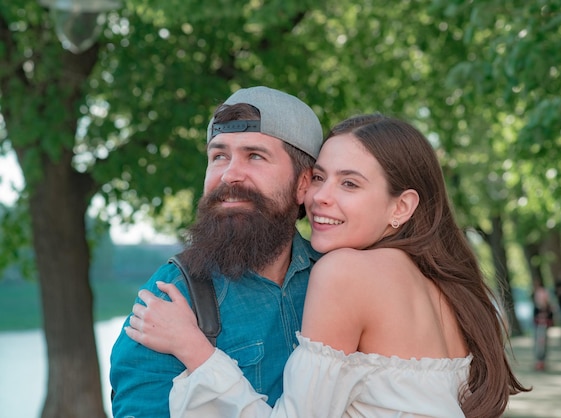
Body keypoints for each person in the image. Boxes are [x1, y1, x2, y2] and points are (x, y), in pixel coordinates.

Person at [127, 114, 530, 417]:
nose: (320, 197)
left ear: (401, 206)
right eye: (320, 178)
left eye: (350, 184)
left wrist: (195, 350)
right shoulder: (442, 287)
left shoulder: (344, 272)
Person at [109, 86, 324, 417]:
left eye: (255, 156)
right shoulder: (172, 296)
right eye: (219, 156)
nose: (230, 174)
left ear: (303, 184)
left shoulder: (334, 278)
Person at [532, 281, 554, 371]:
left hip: (544, 327)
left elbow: (551, 317)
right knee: (537, 344)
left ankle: (542, 361)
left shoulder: (548, 308)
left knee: (543, 344)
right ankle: (538, 361)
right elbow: (534, 318)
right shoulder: (536, 308)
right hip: (538, 328)